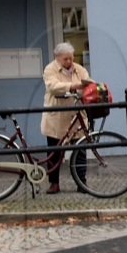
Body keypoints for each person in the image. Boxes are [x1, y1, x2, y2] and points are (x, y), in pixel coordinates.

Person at [41, 42, 92, 194]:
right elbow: (52, 86)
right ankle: (54, 183)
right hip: (57, 116)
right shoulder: (50, 69)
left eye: (71, 58)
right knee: (54, 151)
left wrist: (89, 87)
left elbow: (87, 82)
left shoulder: (79, 69)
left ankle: (81, 182)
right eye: (65, 59)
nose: (69, 62)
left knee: (80, 149)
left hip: (76, 115)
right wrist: (74, 86)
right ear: (57, 58)